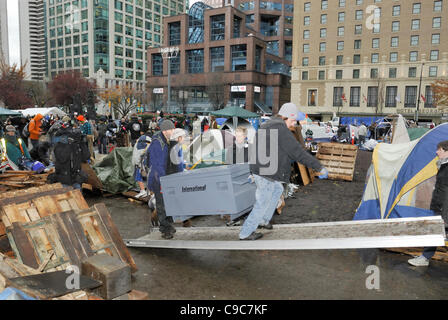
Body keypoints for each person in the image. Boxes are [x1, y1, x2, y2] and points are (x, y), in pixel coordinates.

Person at [239, 103, 329, 240]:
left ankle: (263, 220)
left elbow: (257, 148)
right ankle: (245, 233)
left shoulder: (267, 125)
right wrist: (319, 167)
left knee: (277, 189)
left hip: (261, 169)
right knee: (262, 201)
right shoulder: (281, 130)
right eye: (292, 121)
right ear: (285, 117)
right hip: (266, 172)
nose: (293, 124)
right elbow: (297, 152)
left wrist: (253, 171)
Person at [408, 140, 448, 267]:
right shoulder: (443, 165)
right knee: (435, 231)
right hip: (440, 206)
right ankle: (425, 257)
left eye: (439, 149)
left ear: (446, 151)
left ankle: (425, 258)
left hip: (444, 208)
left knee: (434, 231)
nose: (436, 152)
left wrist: (445, 214)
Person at [144, 119, 176, 239]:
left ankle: (168, 225)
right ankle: (164, 229)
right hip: (158, 178)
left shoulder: (166, 140)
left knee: (167, 202)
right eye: (171, 129)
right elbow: (157, 164)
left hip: (164, 177)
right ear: (165, 130)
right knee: (161, 204)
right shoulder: (157, 143)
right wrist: (163, 180)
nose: (173, 131)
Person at [132, 133, 152, 199]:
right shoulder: (149, 143)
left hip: (142, 163)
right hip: (143, 163)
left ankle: (145, 191)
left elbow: (136, 157)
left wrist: (137, 164)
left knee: (139, 175)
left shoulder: (139, 143)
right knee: (143, 175)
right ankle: (145, 191)